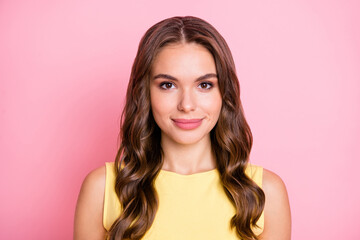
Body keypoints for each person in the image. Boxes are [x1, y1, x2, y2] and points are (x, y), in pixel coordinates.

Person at [74, 16, 291, 240]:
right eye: (167, 85)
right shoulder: (102, 189)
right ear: (145, 92)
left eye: (204, 85)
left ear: (224, 93)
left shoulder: (266, 193)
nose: (186, 105)